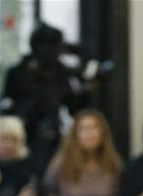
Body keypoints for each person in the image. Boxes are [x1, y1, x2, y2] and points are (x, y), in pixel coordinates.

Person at [1, 22, 87, 175]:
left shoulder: (62, 73)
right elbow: (8, 106)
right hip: (24, 133)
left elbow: (75, 108)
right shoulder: (20, 72)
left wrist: (82, 89)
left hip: (53, 133)